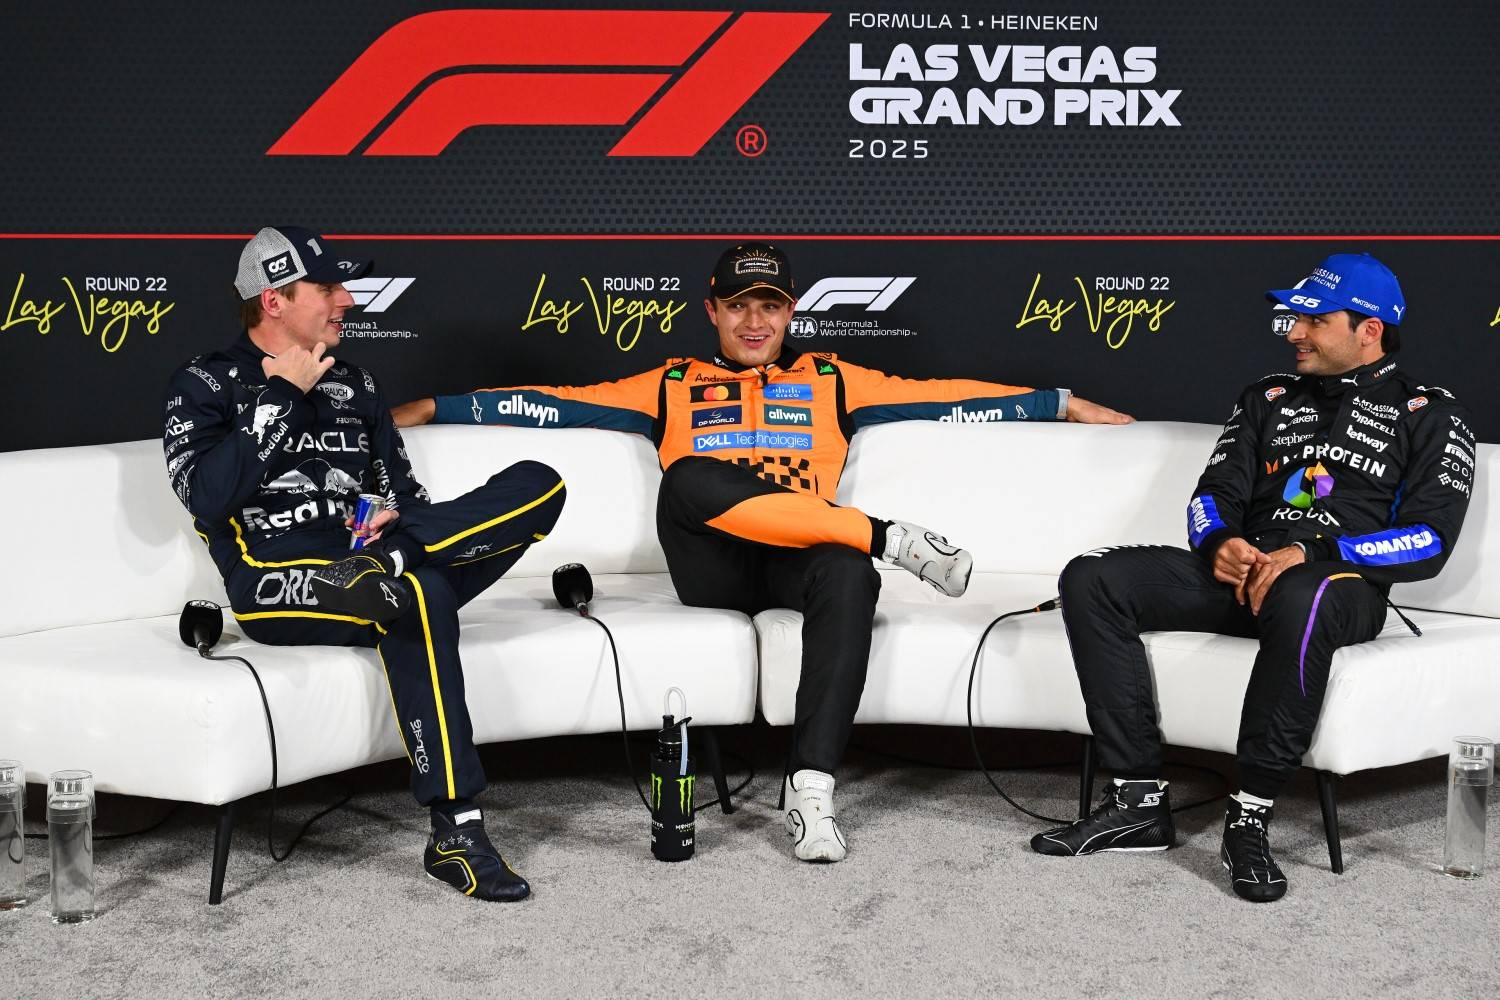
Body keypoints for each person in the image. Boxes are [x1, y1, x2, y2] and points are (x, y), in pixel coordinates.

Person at [393, 242, 1132, 862]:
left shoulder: (832, 378)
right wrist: (437, 407)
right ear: (711, 310)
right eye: (739, 305)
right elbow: (550, 402)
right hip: (711, 563)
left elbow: (946, 395)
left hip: (797, 558)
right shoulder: (673, 382)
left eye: (771, 305)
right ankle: (888, 537)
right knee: (688, 476)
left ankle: (810, 788)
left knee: (845, 570)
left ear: (791, 311)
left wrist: (1058, 402)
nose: (755, 320)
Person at [1031, 253, 1475, 902]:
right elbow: (1212, 494)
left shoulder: (1431, 413)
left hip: (1339, 587)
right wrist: (1221, 543)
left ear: (1369, 330)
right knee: (1093, 577)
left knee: (1305, 589)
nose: (1293, 332)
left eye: (1313, 321)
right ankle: (1138, 803)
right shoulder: (1265, 396)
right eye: (1293, 318)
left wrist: (1317, 548)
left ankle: (1249, 817)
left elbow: (1428, 539)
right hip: (1244, 577)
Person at [163, 226, 567, 902]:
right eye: (327, 288)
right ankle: (457, 831)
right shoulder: (205, 383)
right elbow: (206, 497)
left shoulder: (357, 383)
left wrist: (393, 522)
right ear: (273, 300)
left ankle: (394, 564)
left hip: (372, 557)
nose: (347, 300)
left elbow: (403, 494)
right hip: (277, 580)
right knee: (417, 594)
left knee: (540, 482)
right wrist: (280, 397)